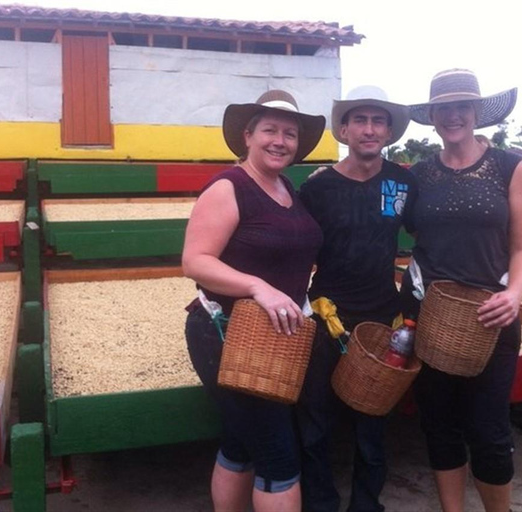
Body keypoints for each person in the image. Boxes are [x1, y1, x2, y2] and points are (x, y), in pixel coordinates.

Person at [402, 68, 522, 512]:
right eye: (444, 108)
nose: (454, 116)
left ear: (478, 112)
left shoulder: (510, 167)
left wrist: (514, 294)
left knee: (489, 431)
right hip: (431, 316)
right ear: (433, 116)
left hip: (491, 317)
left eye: (463, 106)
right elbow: (411, 233)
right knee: (439, 425)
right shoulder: (419, 175)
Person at [182, 89, 326, 512]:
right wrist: (258, 287)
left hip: (273, 339)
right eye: (269, 130)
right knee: (278, 456)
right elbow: (195, 261)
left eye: (289, 134)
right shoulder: (229, 187)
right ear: (248, 135)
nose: (280, 141)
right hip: (227, 334)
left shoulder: (286, 188)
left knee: (240, 443)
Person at [296, 86, 417, 512]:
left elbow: (431, 235)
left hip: (382, 317)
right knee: (314, 420)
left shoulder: (404, 182)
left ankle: (367, 504)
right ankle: (320, 504)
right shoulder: (317, 187)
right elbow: (295, 250)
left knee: (373, 423)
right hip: (324, 316)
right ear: (344, 130)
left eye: (378, 121)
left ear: (389, 131)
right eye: (360, 121)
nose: (369, 129)